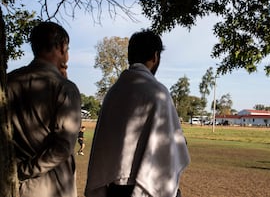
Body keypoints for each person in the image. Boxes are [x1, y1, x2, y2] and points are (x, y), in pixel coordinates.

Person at [85, 30, 190, 197]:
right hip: (146, 187)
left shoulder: (113, 93)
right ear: (155, 57)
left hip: (113, 189)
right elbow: (172, 147)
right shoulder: (158, 93)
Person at [7, 21, 82, 197]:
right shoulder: (64, 88)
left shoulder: (9, 82)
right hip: (52, 187)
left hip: (16, 188)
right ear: (62, 47)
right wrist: (24, 171)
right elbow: (62, 148)